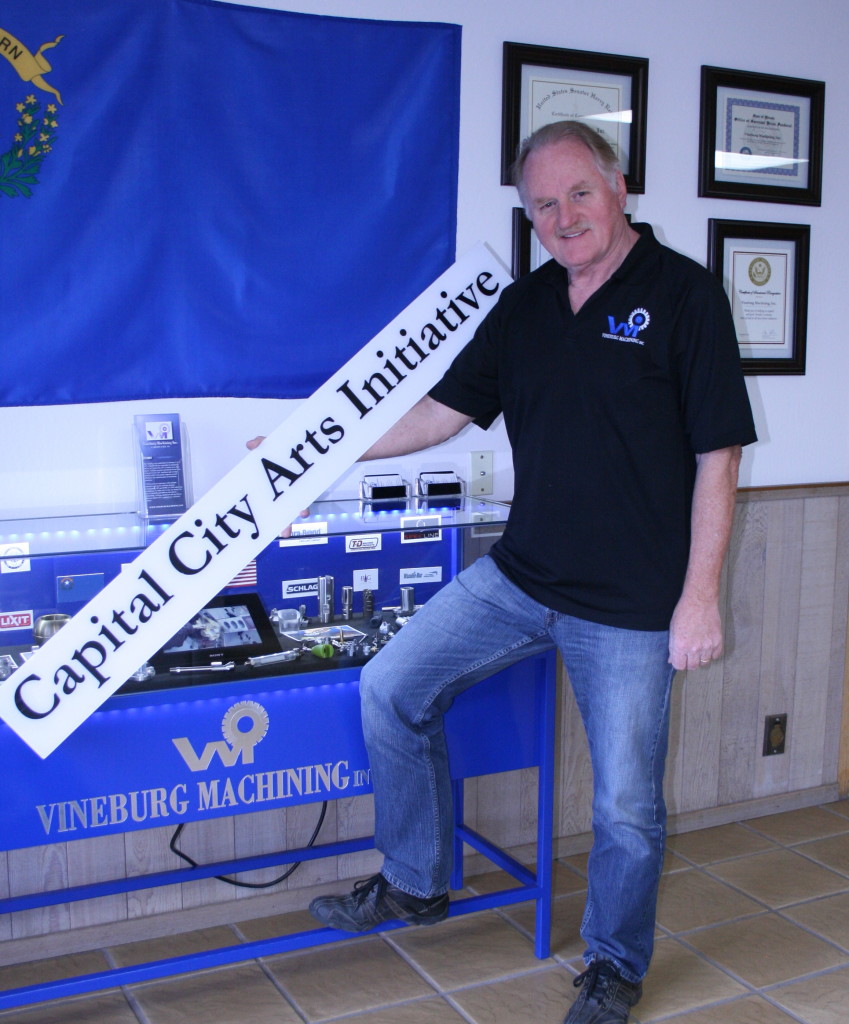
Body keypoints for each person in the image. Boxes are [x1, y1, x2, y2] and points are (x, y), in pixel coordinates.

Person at [305, 121, 757, 1024]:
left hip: (631, 606)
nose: (563, 216)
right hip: (520, 577)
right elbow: (440, 413)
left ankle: (613, 966)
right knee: (390, 686)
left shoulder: (685, 295)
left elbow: (719, 455)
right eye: (543, 205)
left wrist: (699, 597)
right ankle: (415, 880)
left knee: (625, 806)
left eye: (578, 193)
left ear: (617, 187)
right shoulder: (524, 305)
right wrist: (315, 451)